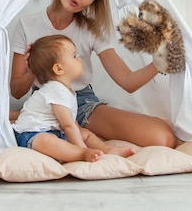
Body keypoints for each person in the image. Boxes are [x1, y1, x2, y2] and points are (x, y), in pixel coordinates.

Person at [10, 0, 178, 148]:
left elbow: (127, 81)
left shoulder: (91, 30)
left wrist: (160, 62)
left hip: (81, 102)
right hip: (43, 103)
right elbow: (16, 91)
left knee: (165, 138)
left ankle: (19, 116)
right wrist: (33, 69)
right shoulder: (27, 25)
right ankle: (22, 116)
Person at [12, 34, 135, 163]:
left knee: (83, 132)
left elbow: (72, 123)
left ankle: (107, 149)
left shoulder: (67, 90)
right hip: (31, 134)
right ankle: (81, 154)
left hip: (54, 130)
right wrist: (82, 148)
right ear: (59, 68)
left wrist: (80, 135)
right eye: (74, 56)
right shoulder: (55, 89)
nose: (79, 59)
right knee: (46, 141)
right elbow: (67, 125)